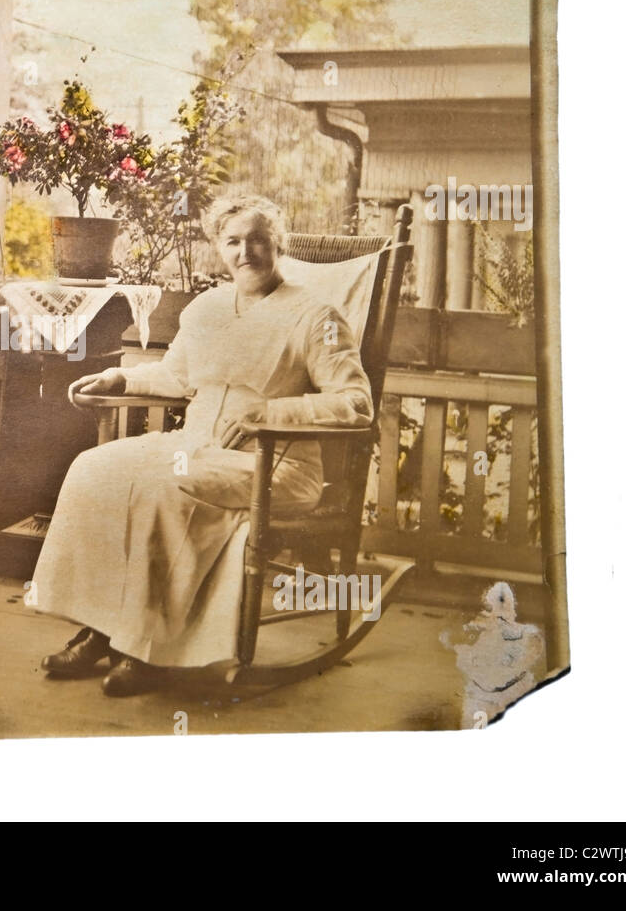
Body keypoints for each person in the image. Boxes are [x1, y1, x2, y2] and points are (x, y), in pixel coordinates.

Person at [32, 194, 374, 694]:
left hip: (276, 464)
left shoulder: (315, 315)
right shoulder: (207, 308)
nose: (246, 252)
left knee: (168, 486)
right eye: (233, 241)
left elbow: (356, 402)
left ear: (277, 243)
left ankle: (147, 649)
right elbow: (176, 376)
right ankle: (101, 628)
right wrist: (117, 380)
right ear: (218, 248)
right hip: (196, 445)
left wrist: (271, 413)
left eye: (258, 239)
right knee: (92, 468)